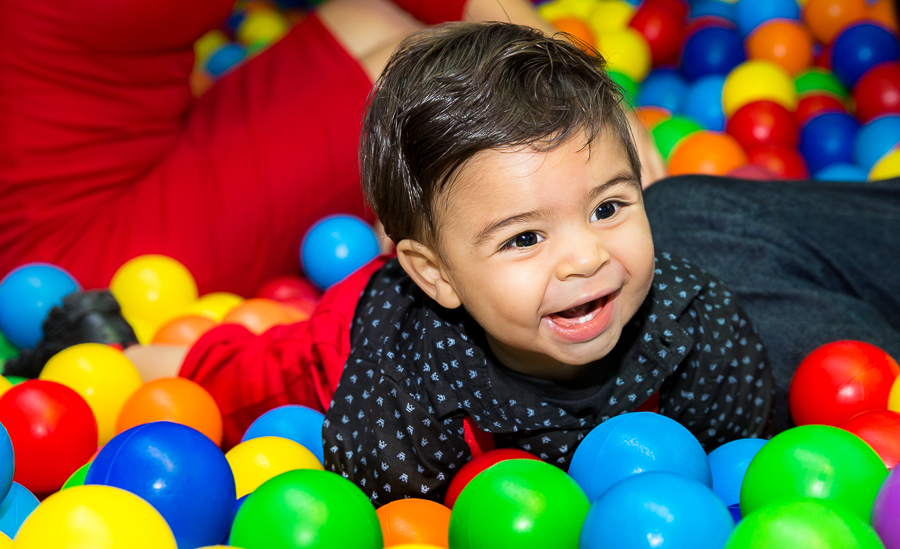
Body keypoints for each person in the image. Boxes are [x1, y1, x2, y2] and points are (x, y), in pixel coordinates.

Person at [129, 22, 773, 506]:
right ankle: (133, 349)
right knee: (236, 378)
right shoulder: (400, 404)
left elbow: (735, 469)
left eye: (607, 209)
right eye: (524, 239)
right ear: (436, 273)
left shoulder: (696, 328)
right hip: (353, 335)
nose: (586, 258)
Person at [0, 0, 579, 298]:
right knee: (449, 76)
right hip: (65, 258)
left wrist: (562, 70)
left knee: (385, 19)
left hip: (149, 144)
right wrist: (572, 89)